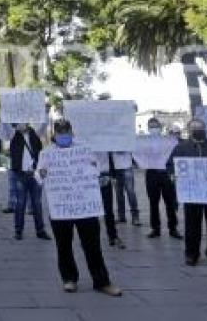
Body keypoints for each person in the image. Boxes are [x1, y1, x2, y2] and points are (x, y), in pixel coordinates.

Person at [37, 119, 122, 297]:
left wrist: (93, 169)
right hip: (61, 206)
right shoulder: (47, 153)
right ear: (55, 134)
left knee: (92, 245)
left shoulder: (84, 148)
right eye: (60, 133)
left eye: (66, 133)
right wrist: (41, 173)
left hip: (85, 205)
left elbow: (97, 168)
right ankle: (69, 279)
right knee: (63, 245)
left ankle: (102, 281)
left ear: (72, 132)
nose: (64, 136)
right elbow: (39, 176)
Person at [169, 118, 207, 267]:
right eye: (194, 128)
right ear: (189, 130)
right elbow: (170, 166)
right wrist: (173, 175)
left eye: (200, 127)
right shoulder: (181, 148)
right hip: (192, 194)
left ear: (205, 129)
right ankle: (191, 254)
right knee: (192, 226)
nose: (198, 130)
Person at [9, 123, 51, 241]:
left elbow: (44, 125)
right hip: (20, 174)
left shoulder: (35, 133)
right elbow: (4, 128)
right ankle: (18, 231)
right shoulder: (13, 135)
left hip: (35, 173)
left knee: (37, 204)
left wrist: (45, 111)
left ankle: (40, 230)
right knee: (20, 203)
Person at [142, 118, 182, 239]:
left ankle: (173, 228)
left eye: (155, 126)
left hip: (166, 174)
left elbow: (177, 150)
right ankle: (155, 228)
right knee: (153, 203)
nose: (154, 128)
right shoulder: (144, 142)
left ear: (160, 127)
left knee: (169, 202)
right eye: (151, 126)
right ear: (148, 128)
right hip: (151, 174)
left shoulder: (167, 141)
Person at [96, 152, 124, 248]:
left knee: (108, 208)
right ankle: (94, 237)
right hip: (90, 176)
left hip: (105, 174)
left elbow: (110, 157)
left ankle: (112, 235)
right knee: (92, 210)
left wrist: (113, 175)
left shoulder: (106, 141)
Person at [112, 150, 140, 226]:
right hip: (115, 167)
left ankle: (135, 217)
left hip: (127, 166)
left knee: (131, 193)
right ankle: (122, 216)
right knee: (119, 194)